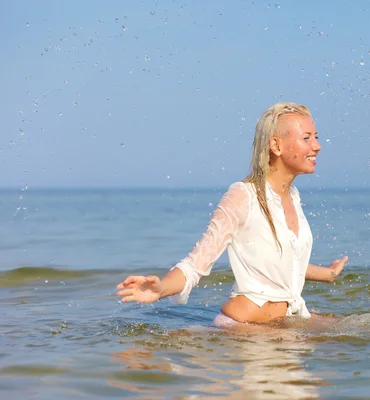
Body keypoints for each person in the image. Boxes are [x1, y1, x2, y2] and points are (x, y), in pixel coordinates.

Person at [116, 102, 348, 325]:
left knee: (355, 333)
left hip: (283, 323)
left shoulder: (292, 197)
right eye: (306, 138)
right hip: (244, 329)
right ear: (276, 146)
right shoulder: (243, 196)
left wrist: (328, 273)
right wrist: (161, 290)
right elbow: (196, 263)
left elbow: (280, 261)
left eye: (315, 137)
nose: (317, 146)